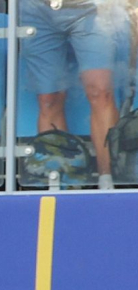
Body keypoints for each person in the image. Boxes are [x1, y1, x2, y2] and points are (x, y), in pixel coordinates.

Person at [19, 0, 120, 189]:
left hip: (92, 7)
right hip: (36, 8)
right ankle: (59, 180)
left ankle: (108, 178)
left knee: (100, 91)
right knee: (48, 98)